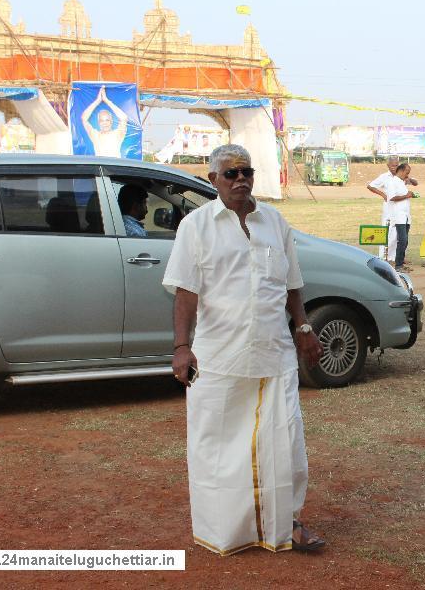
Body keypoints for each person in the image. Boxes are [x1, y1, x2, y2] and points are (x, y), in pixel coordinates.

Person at [162, 143, 326, 555]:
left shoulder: (274, 221)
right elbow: (185, 291)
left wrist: (304, 327)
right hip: (220, 357)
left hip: (274, 354)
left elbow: (291, 283)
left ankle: (287, 524)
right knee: (217, 447)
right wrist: (182, 346)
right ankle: (225, 531)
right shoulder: (196, 227)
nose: (240, 180)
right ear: (213, 180)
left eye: (246, 172)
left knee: (284, 443)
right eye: (230, 174)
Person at [366, 156, 418, 264]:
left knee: (398, 235)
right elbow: (370, 186)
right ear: (388, 165)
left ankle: (396, 257)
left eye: (396, 165)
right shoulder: (384, 177)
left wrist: (409, 178)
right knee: (387, 233)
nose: (395, 167)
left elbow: (415, 183)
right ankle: (383, 258)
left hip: (400, 210)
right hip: (389, 209)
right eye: (393, 165)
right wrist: (383, 194)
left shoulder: (402, 176)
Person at [385, 163, 416, 273]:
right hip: (398, 216)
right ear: (401, 171)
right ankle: (398, 265)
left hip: (406, 216)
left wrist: (409, 193)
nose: (407, 175)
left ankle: (401, 263)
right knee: (402, 240)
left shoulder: (402, 182)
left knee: (405, 241)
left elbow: (415, 183)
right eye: (407, 172)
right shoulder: (393, 182)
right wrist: (407, 196)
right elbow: (392, 197)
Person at [81, 86, 128, 158]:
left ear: (111, 121)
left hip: (115, 167)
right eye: (102, 120)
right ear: (98, 123)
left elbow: (124, 118)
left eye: (107, 120)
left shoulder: (117, 134)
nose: (105, 123)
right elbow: (84, 118)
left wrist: (106, 100)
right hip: (100, 168)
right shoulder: (95, 135)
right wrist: (98, 100)